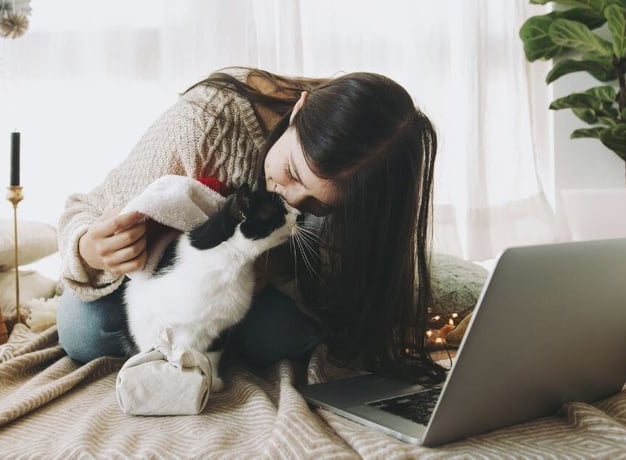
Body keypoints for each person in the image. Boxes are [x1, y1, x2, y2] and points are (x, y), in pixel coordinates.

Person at [57, 67, 446, 384]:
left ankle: (216, 341)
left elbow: (344, 288)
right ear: (299, 111)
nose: (291, 199)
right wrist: (88, 247)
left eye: (316, 204)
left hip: (246, 300)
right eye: (291, 171)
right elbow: (86, 208)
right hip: (156, 284)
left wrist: (273, 267)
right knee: (85, 329)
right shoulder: (205, 123)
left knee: (289, 335)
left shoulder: (360, 193)